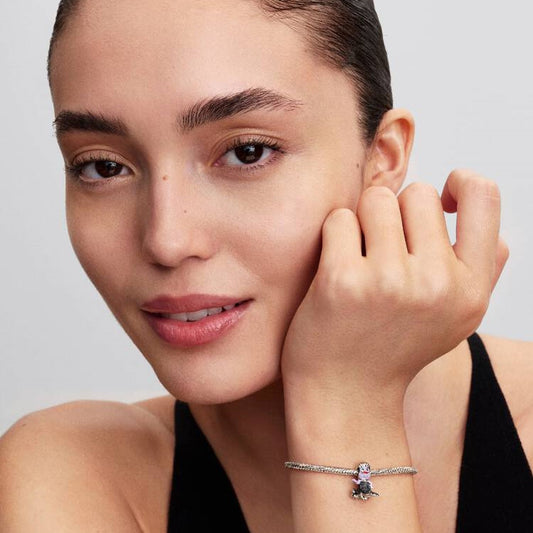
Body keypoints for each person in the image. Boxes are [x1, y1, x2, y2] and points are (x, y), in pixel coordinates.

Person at [0, 0, 532, 531]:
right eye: (102, 166)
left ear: (382, 158)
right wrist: (349, 404)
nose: (167, 241)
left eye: (247, 152)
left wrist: (349, 396)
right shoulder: (70, 477)